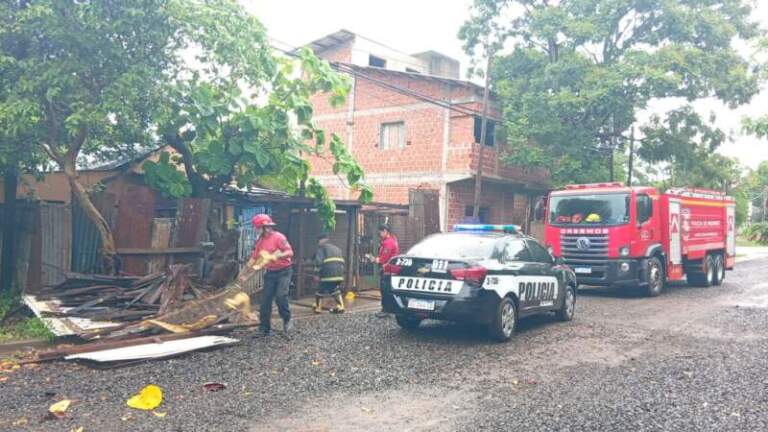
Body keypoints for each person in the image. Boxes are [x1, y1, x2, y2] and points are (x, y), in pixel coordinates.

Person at [247, 214, 294, 337]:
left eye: (268, 226)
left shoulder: (279, 237)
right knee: (265, 300)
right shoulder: (260, 241)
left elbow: (290, 252)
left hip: (284, 271)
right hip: (271, 272)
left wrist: (277, 255)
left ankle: (287, 319)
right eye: (264, 227)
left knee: (280, 296)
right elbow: (254, 258)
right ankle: (264, 328)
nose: (267, 229)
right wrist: (245, 272)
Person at [313, 234, 346, 314]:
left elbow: (318, 262)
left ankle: (318, 308)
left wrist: (316, 274)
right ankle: (341, 306)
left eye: (318, 242)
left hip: (328, 275)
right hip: (339, 275)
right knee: (334, 289)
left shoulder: (321, 248)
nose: (318, 243)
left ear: (321, 240)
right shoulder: (337, 248)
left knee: (320, 290)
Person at [372, 223, 399, 318]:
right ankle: (388, 309)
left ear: (385, 231)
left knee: (385, 291)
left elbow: (384, 258)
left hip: (388, 270)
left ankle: (385, 310)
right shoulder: (392, 240)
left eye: (380, 232)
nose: (380, 234)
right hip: (390, 270)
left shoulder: (388, 243)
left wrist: (375, 259)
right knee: (387, 290)